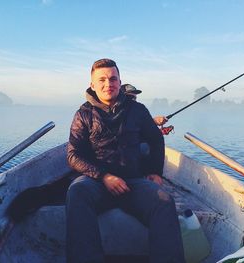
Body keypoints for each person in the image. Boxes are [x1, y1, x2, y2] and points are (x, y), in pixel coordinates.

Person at [66, 58, 185, 263]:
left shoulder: (137, 110)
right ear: (92, 85)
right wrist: (104, 176)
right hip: (96, 182)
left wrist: (155, 172)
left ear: (120, 82)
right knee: (76, 192)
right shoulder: (83, 114)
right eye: (101, 79)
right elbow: (73, 155)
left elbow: (156, 140)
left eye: (113, 79)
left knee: (164, 202)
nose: (108, 84)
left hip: (133, 180)